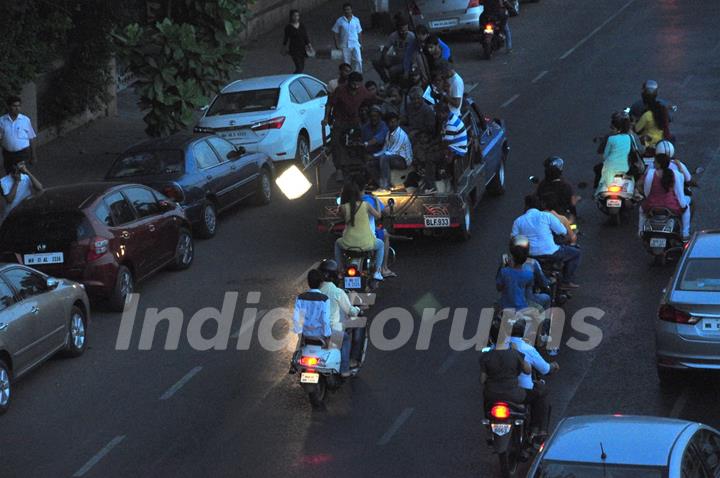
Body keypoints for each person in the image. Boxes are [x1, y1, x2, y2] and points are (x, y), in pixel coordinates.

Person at [512, 195, 580, 289]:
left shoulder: (518, 221)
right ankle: (566, 281)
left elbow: (514, 239)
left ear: (526, 206)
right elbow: (562, 231)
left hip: (529, 255)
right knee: (575, 253)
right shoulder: (546, 216)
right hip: (552, 253)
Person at [507, 320, 558, 437]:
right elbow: (544, 369)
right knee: (542, 391)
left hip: (498, 392)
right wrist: (554, 366)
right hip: (521, 392)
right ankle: (538, 430)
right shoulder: (527, 349)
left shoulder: (496, 348)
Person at [324, 72, 373, 179]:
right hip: (340, 120)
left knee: (364, 138)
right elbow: (329, 104)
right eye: (353, 84)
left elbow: (371, 98)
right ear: (349, 82)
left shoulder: (363, 90)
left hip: (355, 120)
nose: (356, 87)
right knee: (335, 142)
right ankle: (339, 169)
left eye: (358, 84)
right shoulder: (340, 90)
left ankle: (365, 164)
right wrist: (326, 118)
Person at [317, 259, 362, 377]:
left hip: (313, 330)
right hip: (331, 331)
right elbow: (351, 311)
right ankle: (345, 369)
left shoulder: (314, 291)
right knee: (346, 339)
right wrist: (358, 310)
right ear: (334, 276)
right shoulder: (338, 292)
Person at [335, 181, 385, 281]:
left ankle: (340, 270)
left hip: (348, 243)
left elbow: (338, 215)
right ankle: (377, 272)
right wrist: (376, 201)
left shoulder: (343, 208)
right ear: (358, 193)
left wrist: (341, 199)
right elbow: (378, 216)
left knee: (337, 243)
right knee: (381, 245)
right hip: (367, 243)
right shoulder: (366, 205)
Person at [638, 153, 690, 239]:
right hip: (671, 206)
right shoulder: (675, 174)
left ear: (659, 164)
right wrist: (679, 166)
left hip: (652, 204)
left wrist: (644, 195)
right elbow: (680, 190)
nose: (653, 163)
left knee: (641, 210)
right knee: (686, 207)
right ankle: (685, 233)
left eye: (655, 162)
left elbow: (639, 185)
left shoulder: (650, 173)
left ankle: (640, 231)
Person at [356, 175, 395, 278]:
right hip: (367, 236)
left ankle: (340, 270)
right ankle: (382, 269)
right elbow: (380, 214)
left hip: (350, 237)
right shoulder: (369, 201)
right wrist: (380, 202)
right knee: (385, 236)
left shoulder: (347, 202)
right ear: (364, 187)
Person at [479, 340, 532, 411]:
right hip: (513, 394)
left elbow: (482, 380)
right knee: (540, 393)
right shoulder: (514, 353)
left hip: (492, 395)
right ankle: (537, 422)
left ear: (491, 340)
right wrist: (517, 352)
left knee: (487, 404)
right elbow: (528, 371)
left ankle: (487, 415)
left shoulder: (486, 356)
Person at [593, 112, 639, 191]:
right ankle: (635, 190)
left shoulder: (610, 137)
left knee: (597, 169)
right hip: (628, 168)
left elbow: (602, 153)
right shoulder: (632, 136)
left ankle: (597, 192)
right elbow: (640, 150)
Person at [510, 236, 552, 311]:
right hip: (527, 301)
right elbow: (543, 282)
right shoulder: (532, 263)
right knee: (546, 298)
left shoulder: (506, 263)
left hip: (508, 301)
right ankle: (545, 321)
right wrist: (548, 282)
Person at [373, 111, 413, 190]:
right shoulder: (388, 133)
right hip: (394, 157)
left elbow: (392, 151)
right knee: (370, 163)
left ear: (398, 121)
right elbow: (385, 148)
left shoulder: (401, 134)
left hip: (404, 160)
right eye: (389, 122)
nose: (391, 124)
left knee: (384, 158)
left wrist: (379, 156)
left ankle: (386, 185)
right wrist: (374, 156)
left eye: (393, 122)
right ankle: (381, 183)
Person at [292, 269, 332, 344]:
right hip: (320, 336)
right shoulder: (325, 299)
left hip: (305, 336)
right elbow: (325, 320)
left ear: (308, 282)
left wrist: (299, 332)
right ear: (321, 283)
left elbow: (296, 318)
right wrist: (327, 335)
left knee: (298, 353)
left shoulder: (300, 298)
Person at [372, 14, 415, 83]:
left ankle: (394, 84)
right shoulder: (393, 36)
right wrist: (385, 58)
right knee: (376, 62)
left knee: (392, 70)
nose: (404, 33)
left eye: (406, 30)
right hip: (397, 57)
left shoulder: (412, 36)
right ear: (398, 30)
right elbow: (385, 49)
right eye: (401, 31)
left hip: (407, 61)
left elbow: (414, 55)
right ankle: (386, 80)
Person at [0, 96, 37, 174]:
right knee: (10, 175)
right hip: (8, 154)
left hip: (22, 154)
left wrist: (33, 156)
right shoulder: (2, 121)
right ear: (9, 106)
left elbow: (31, 138)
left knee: (23, 175)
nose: (17, 108)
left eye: (19, 106)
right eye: (14, 106)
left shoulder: (25, 120)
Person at [496, 240, 535, 311]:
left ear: (513, 258)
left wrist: (502, 266)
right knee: (545, 299)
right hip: (522, 307)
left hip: (505, 306)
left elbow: (499, 288)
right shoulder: (529, 274)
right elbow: (529, 291)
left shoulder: (504, 271)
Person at [332, 3, 363, 73]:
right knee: (346, 63)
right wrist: (336, 44)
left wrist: (361, 44)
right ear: (343, 11)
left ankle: (358, 74)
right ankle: (347, 76)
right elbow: (335, 32)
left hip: (355, 44)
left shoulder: (356, 20)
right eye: (345, 10)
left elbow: (359, 32)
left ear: (351, 10)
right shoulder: (339, 20)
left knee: (359, 60)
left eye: (348, 9)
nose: (347, 11)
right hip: (345, 45)